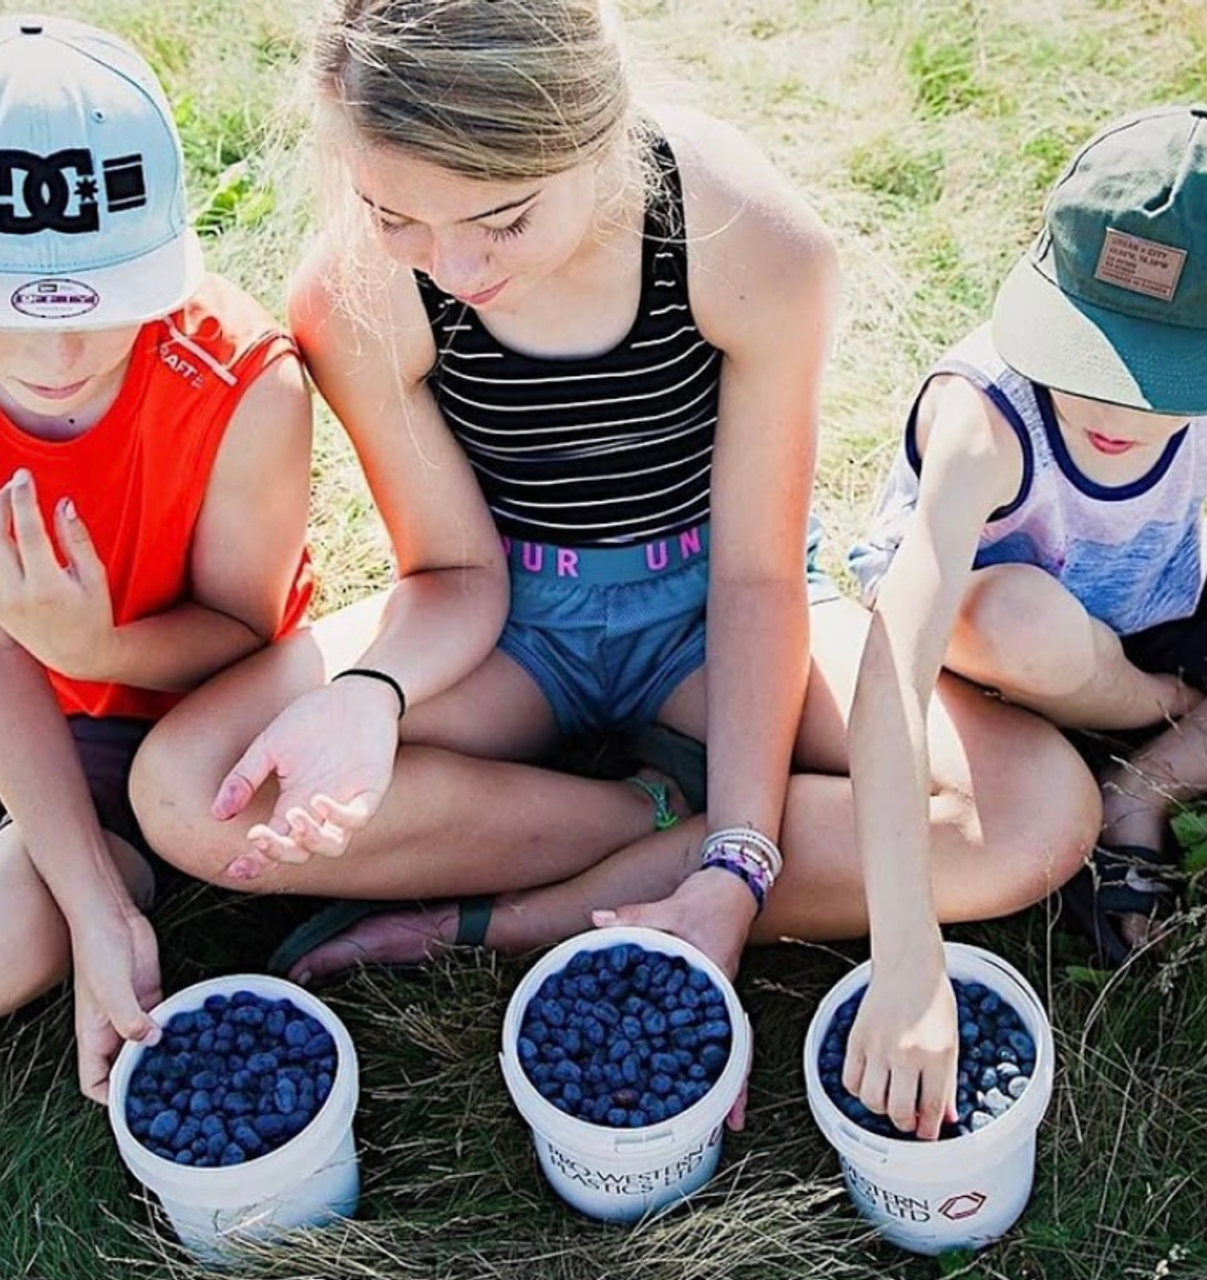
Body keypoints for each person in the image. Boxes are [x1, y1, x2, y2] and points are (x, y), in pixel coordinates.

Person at [128, 0, 1099, 1131]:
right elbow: (451, 571)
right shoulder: (358, 281)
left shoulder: (750, 241)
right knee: (187, 795)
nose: (455, 265)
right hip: (509, 623)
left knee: (1036, 809)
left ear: (597, 137)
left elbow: (755, 578)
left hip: (712, 605)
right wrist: (367, 695)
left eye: (501, 217)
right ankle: (644, 820)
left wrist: (739, 862)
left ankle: (558, 898)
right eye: (397, 216)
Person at [0, 14, 317, 1100]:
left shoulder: (244, 380)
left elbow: (244, 639)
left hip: (151, 701)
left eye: (104, 304)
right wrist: (94, 900)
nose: (55, 356)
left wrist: (91, 638)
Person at [840, 104, 1207, 1136]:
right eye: (1083, 345)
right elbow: (893, 668)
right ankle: (1173, 712)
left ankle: (1143, 783)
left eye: (1161, 382)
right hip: (997, 639)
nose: (1112, 404)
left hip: (1156, 606)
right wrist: (906, 955)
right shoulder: (984, 422)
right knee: (1030, 622)